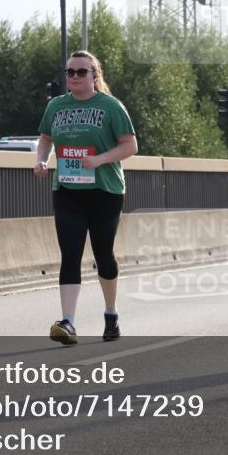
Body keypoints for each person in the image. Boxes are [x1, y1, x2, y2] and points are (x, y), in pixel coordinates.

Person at [35, 50, 138, 345]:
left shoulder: (110, 106)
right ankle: (68, 322)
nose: (75, 77)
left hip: (105, 191)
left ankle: (111, 313)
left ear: (94, 75)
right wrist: (41, 160)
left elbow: (130, 145)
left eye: (82, 72)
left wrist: (100, 160)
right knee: (70, 254)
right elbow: (45, 138)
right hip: (67, 190)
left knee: (103, 255)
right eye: (70, 72)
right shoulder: (56, 106)